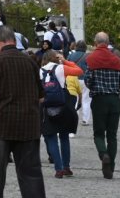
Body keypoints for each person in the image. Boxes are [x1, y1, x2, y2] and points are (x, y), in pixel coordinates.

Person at [0, 25, 46, 198]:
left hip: (1, 124)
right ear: (14, 41)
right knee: (31, 174)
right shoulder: (30, 62)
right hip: (29, 126)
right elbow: (41, 97)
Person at [84, 31, 120, 179]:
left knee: (98, 133)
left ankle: (103, 155)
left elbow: (88, 81)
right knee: (112, 135)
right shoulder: (116, 60)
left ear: (96, 43)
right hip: (115, 100)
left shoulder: (91, 59)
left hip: (99, 100)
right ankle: (111, 167)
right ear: (108, 42)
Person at [39, 50, 76, 178]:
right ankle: (66, 167)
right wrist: (64, 60)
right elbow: (78, 71)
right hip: (62, 106)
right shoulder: (60, 68)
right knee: (64, 137)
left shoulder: (40, 70)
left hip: (47, 107)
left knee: (51, 138)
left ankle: (58, 169)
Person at [67, 40, 91, 126]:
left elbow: (66, 66)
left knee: (74, 100)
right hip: (84, 80)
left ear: (76, 46)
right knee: (86, 100)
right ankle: (85, 120)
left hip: (73, 79)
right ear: (85, 47)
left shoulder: (70, 55)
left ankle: (74, 118)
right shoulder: (87, 56)